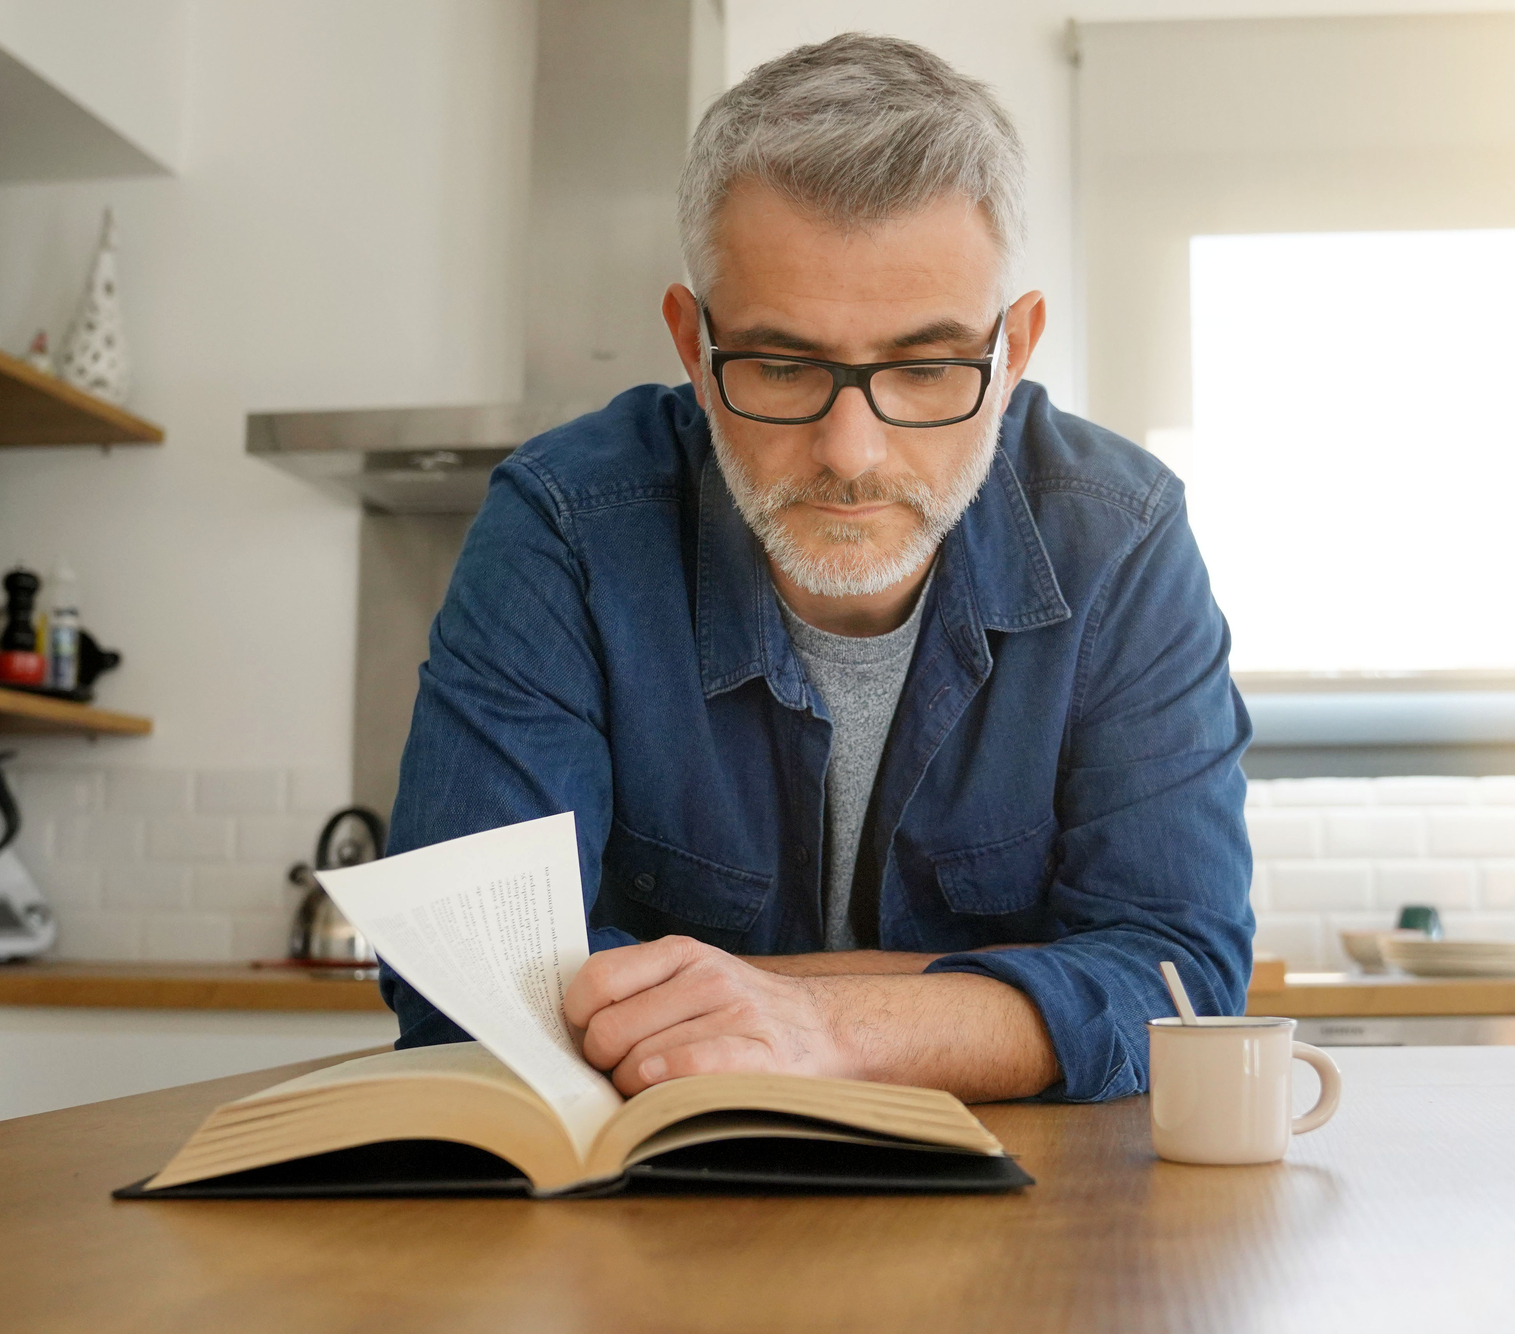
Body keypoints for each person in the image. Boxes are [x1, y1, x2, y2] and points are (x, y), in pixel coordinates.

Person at [383, 33, 1252, 1104]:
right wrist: (963, 1009)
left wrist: (818, 1023)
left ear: (1012, 349)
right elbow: (462, 985)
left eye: (927, 367)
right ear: (691, 347)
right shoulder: (562, 525)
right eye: (783, 365)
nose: (851, 453)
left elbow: (1180, 978)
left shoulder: (1122, 537)